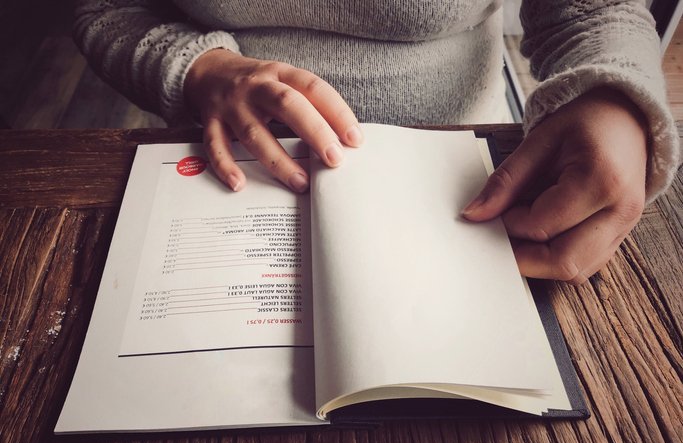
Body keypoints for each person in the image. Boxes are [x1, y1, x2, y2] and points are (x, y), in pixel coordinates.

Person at [73, 0, 679, 284]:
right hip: (223, 160)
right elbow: (104, 7)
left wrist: (616, 98)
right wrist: (199, 68)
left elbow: (595, 8)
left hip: (469, 166)